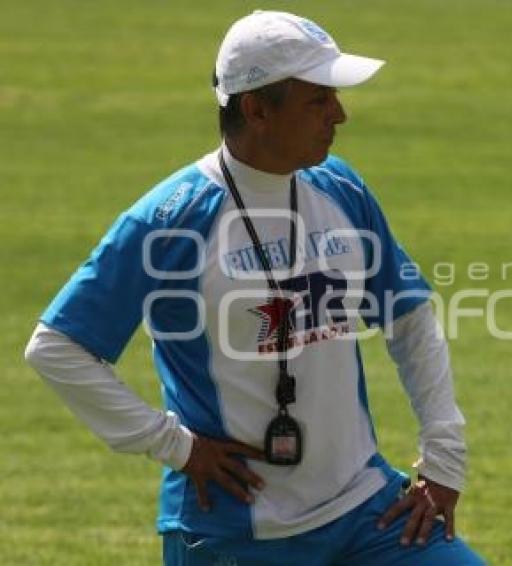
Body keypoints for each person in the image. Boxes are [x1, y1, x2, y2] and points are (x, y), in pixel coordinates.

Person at [24, 10, 484, 565]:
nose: (340, 115)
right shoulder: (169, 222)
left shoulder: (341, 187)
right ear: (257, 109)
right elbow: (56, 347)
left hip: (368, 513)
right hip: (232, 534)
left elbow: (409, 318)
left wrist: (444, 458)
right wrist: (174, 446)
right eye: (318, 100)